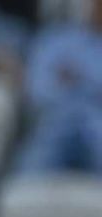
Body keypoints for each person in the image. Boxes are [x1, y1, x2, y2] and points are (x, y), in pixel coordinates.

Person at [14, 0, 102, 176]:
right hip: (54, 121)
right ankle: (23, 189)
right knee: (65, 119)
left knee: (91, 123)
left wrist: (74, 81)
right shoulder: (53, 39)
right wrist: (91, 91)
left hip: (97, 124)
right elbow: (36, 92)